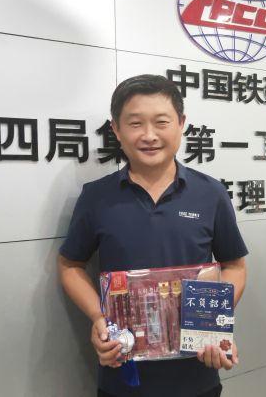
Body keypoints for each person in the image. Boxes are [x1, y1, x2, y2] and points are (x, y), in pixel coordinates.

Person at [58, 74, 248, 397]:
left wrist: (214, 320)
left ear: (181, 124)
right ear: (116, 129)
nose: (149, 135)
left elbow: (235, 266)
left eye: (161, 122)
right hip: (122, 376)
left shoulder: (211, 193)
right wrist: (99, 317)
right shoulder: (96, 197)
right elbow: (69, 266)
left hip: (197, 376)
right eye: (135, 124)